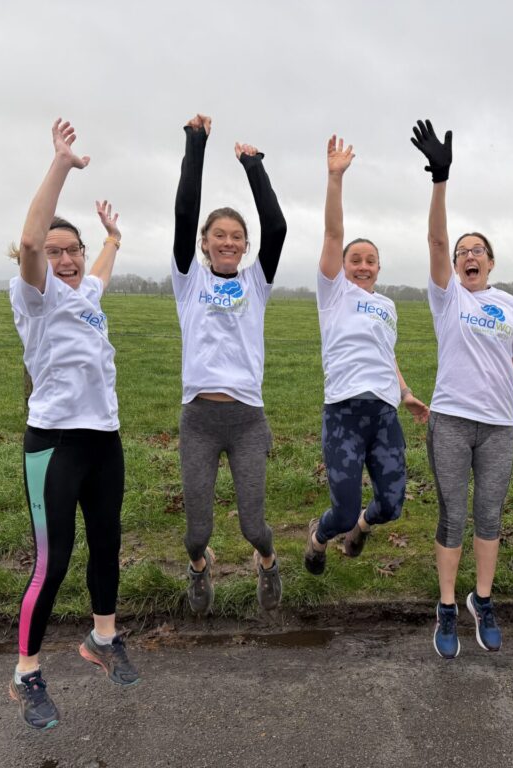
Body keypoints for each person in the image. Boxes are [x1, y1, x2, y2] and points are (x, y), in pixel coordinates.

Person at [411, 119, 513, 659]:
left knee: (490, 517)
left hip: (499, 426)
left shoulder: (510, 305)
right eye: (462, 251)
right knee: (453, 515)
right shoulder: (448, 298)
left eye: (478, 251)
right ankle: (447, 606)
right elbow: (434, 237)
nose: (468, 255)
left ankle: (483, 600)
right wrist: (440, 179)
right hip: (451, 420)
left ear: (491, 262)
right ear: (454, 265)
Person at [8, 119, 138, 730]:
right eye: (55, 251)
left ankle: (103, 639)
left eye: (72, 251)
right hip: (55, 445)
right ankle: (26, 674)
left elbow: (102, 273)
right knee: (52, 563)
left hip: (103, 441)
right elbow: (33, 242)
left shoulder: (86, 294)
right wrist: (60, 164)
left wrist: (112, 237)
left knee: (107, 544)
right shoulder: (34, 294)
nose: (63, 258)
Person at [172, 114, 287, 615]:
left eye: (236, 236)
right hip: (198, 419)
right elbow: (183, 211)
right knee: (196, 532)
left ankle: (267, 560)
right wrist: (196, 145)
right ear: (204, 243)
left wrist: (254, 167)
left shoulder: (257, 281)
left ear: (244, 245)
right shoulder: (188, 279)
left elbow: (277, 226)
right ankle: (200, 568)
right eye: (218, 235)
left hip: (246, 420)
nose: (228, 241)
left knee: (252, 525)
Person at [304, 135, 429, 575]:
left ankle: (361, 527)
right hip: (343, 412)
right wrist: (335, 178)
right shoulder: (332, 293)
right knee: (339, 511)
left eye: (370, 260)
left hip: (384, 413)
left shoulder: (388, 305)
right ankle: (320, 540)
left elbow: (385, 354)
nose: (362, 265)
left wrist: (406, 391)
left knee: (391, 505)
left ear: (379, 267)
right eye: (355, 259)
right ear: (343, 264)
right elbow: (333, 231)